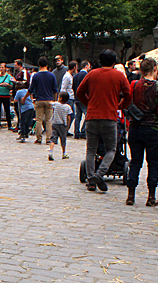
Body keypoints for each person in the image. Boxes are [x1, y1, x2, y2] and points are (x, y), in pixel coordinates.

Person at [76, 49, 132, 192]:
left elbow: (79, 92)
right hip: (110, 117)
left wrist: (88, 103)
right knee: (111, 148)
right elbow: (128, 94)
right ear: (114, 62)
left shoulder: (92, 74)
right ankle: (99, 174)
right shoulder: (119, 76)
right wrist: (120, 106)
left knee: (91, 150)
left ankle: (90, 179)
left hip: (92, 116)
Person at [126, 57, 158, 206]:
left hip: (135, 128)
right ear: (155, 69)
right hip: (153, 129)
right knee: (153, 163)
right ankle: (151, 197)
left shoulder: (134, 84)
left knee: (135, 162)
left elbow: (127, 103)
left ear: (141, 70)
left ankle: (130, 195)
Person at [28, 57, 58, 144]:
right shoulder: (52, 75)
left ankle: (39, 138)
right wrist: (54, 100)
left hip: (39, 100)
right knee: (49, 121)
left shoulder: (36, 75)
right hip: (49, 100)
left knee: (39, 120)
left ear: (39, 65)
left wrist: (26, 97)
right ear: (47, 65)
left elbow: (31, 89)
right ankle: (48, 139)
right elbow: (55, 90)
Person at [48, 92, 72, 160]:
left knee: (53, 138)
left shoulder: (56, 104)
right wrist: (67, 125)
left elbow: (50, 103)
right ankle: (64, 153)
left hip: (55, 124)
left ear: (60, 98)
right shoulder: (68, 107)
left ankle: (50, 151)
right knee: (63, 139)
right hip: (62, 125)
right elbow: (69, 117)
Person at [0, 63, 13, 130]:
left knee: (7, 110)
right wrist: (0, 85)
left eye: (2, 67)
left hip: (6, 95)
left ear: (5, 68)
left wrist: (8, 85)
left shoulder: (9, 76)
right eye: (0, 67)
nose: (1, 69)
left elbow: (12, 86)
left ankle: (9, 125)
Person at [73, 61, 89, 139]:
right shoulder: (86, 75)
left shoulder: (76, 76)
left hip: (76, 98)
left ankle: (76, 132)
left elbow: (73, 86)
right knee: (87, 114)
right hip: (84, 98)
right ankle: (83, 131)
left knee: (78, 116)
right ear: (86, 66)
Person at [61, 61, 77, 135]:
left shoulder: (71, 75)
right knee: (70, 114)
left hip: (71, 97)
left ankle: (66, 129)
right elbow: (63, 87)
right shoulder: (67, 76)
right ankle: (65, 130)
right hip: (68, 97)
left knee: (71, 115)